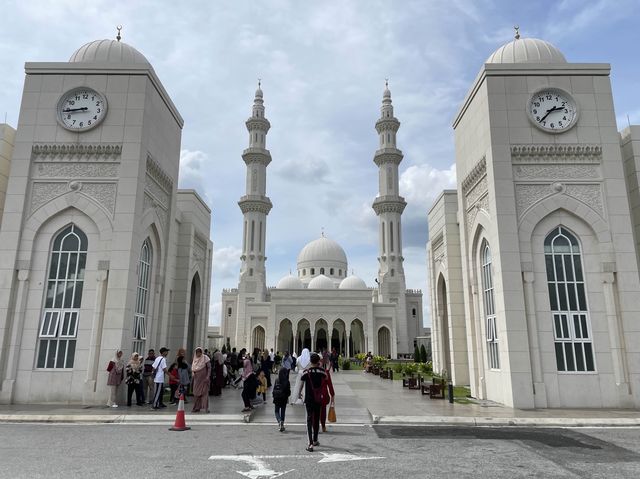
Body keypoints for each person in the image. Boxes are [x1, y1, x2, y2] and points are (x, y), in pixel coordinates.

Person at [300, 353, 327, 452]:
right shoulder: (322, 371)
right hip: (318, 398)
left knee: (309, 420)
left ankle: (310, 444)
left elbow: (302, 382)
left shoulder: (306, 372)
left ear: (310, 361)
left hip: (309, 399)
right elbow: (326, 377)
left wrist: (299, 393)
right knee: (316, 419)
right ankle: (315, 439)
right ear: (318, 361)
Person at [191, 347, 211, 413]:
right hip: (197, 379)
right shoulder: (195, 359)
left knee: (204, 393)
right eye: (197, 353)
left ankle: (206, 408)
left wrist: (208, 376)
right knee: (196, 393)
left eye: (199, 352)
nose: (198, 354)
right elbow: (193, 369)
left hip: (204, 379)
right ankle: (196, 407)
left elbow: (209, 368)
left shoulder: (205, 358)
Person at [272, 367, 291, 432]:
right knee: (283, 411)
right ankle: (282, 424)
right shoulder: (287, 381)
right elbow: (288, 392)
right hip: (284, 398)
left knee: (276, 411)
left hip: (277, 398)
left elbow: (274, 389)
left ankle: (279, 421)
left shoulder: (277, 380)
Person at [320, 355, 336, 432]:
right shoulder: (325, 372)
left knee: (315, 411)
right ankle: (323, 426)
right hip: (323, 394)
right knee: (322, 411)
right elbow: (330, 385)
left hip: (315, 394)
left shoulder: (310, 372)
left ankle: (315, 426)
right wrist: (332, 395)